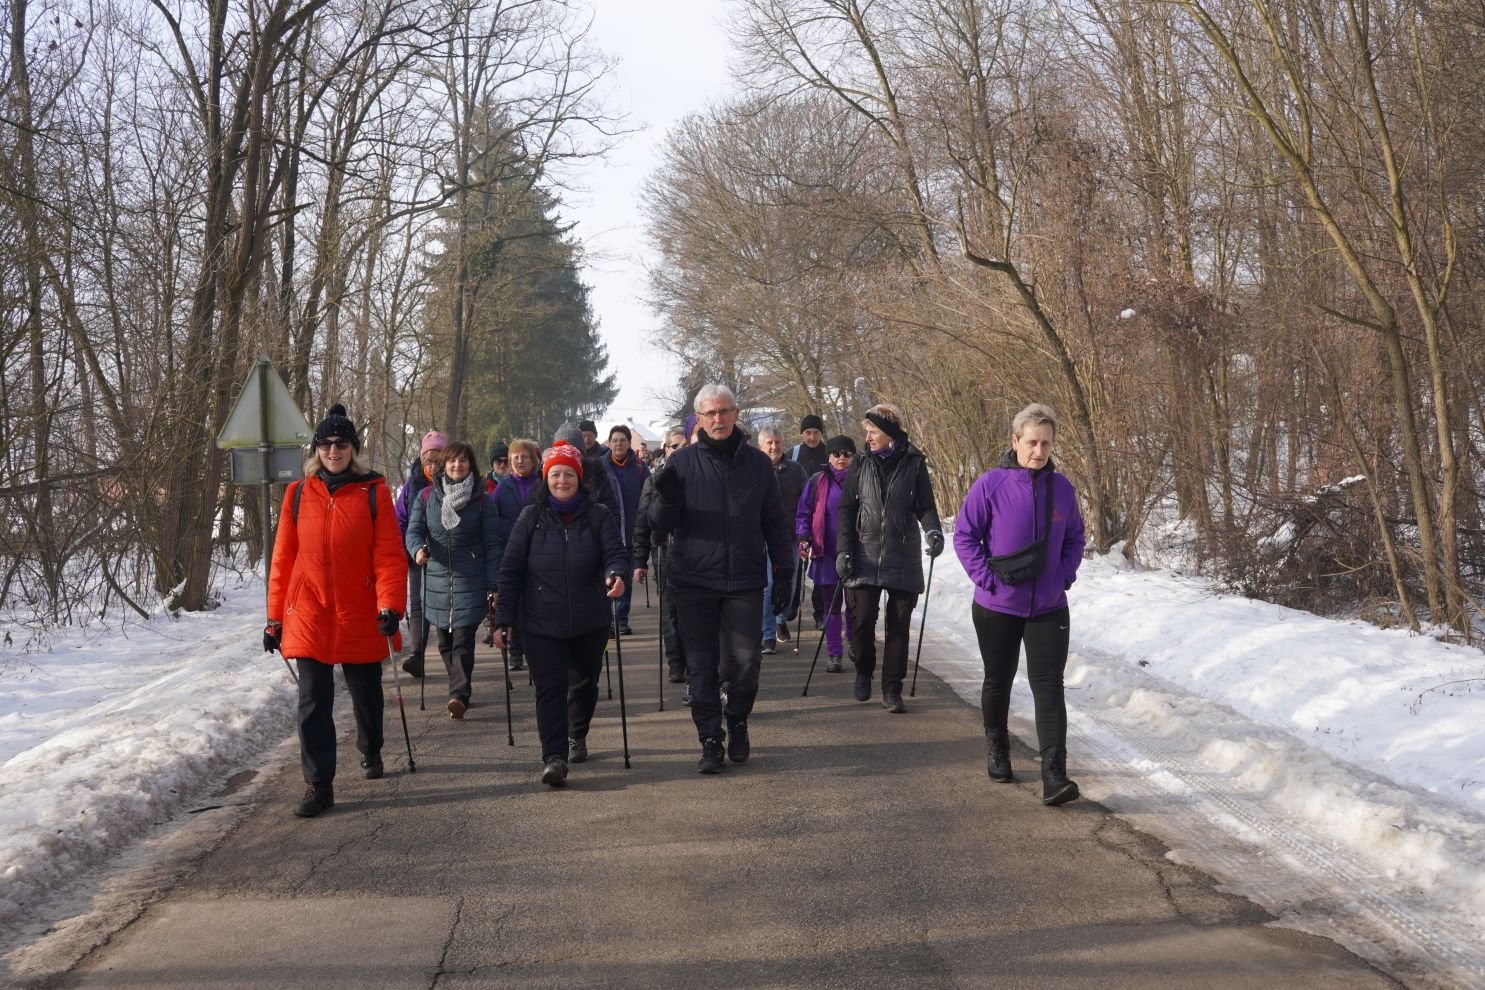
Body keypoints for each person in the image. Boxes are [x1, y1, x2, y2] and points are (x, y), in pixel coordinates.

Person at [264, 404, 407, 818]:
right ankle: (318, 785)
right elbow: (282, 560)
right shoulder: (297, 494)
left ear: (353, 449)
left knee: (366, 692)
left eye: (341, 443)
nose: (333, 450)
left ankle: (370, 748)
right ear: (316, 450)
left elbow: (389, 558)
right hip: (309, 612)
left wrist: (390, 606)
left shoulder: (374, 493)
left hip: (360, 608)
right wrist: (274, 619)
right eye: (325, 444)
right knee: (313, 701)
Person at [648, 384, 793, 773]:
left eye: (724, 412)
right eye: (709, 414)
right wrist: (669, 500)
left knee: (747, 663)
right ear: (698, 419)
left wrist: (784, 572)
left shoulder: (758, 464)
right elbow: (658, 528)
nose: (718, 419)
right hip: (694, 581)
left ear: (736, 413)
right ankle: (710, 739)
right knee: (701, 666)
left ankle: (738, 719)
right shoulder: (681, 463)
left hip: (745, 579)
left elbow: (776, 523)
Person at [954, 403, 1086, 806]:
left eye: (1046, 443)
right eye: (1031, 442)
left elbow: (1076, 539)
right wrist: (987, 580)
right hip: (997, 606)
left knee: (1049, 686)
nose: (1038, 451)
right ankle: (998, 747)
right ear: (1015, 442)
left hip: (1048, 607)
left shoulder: (1061, 488)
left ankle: (1054, 775)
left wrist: (1062, 576)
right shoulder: (990, 485)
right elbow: (964, 536)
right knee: (999, 679)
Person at [492, 443, 627, 787]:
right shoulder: (531, 518)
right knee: (549, 690)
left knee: (585, 684)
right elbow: (511, 571)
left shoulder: (599, 515)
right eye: (555, 474)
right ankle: (553, 757)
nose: (562, 480)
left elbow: (615, 553)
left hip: (589, 619)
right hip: (540, 621)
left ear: (578, 478)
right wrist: (503, 620)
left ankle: (576, 734)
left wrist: (616, 575)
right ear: (545, 478)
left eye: (569, 474)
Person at [837, 403, 943, 714]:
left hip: (903, 553)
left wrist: (934, 532)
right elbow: (846, 509)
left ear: (889, 433)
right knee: (861, 621)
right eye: (866, 431)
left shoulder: (914, 463)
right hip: (863, 553)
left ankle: (892, 689)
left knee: (898, 626)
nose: (867, 437)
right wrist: (843, 550)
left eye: (873, 431)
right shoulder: (860, 462)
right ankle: (863, 670)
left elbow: (926, 506)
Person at [406, 440, 502, 719]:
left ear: (470, 465)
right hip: (435, 580)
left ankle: (458, 694)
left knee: (462, 640)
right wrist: (417, 550)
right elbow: (413, 531)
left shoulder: (482, 501)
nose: (457, 465)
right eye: (452, 461)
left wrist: (493, 584)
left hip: (470, 580)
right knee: (444, 643)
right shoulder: (426, 497)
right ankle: (458, 686)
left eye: (462, 461)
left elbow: (493, 545)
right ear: (444, 465)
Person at [633, 429, 688, 688]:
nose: (677, 450)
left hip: (695, 554)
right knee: (670, 611)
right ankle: (676, 663)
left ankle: (695, 662)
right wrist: (639, 561)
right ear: (665, 449)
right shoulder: (654, 480)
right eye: (673, 446)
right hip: (665, 552)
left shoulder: (697, 474)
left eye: (682, 445)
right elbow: (642, 521)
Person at [796, 435, 856, 672]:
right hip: (826, 551)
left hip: (855, 552)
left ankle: (853, 642)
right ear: (828, 456)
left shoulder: (861, 479)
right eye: (836, 453)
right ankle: (834, 653)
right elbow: (803, 513)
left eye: (847, 454)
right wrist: (803, 537)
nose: (841, 458)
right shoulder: (817, 481)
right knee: (831, 606)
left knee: (854, 604)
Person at [394, 431, 446, 677]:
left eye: (437, 459)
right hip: (417, 554)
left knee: (445, 605)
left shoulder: (454, 480)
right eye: (429, 459)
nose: (433, 465)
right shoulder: (411, 485)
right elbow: (401, 520)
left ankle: (454, 657)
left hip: (446, 556)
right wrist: (409, 549)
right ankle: (417, 655)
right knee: (418, 604)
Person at [490, 438, 542, 671]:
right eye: (515, 458)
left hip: (540, 551)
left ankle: (536, 649)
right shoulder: (503, 488)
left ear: (533, 460)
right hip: (511, 552)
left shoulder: (542, 485)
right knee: (517, 604)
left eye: (524, 457)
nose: (520, 461)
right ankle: (516, 651)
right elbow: (493, 519)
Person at [758, 425, 807, 653]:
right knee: (767, 585)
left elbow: (807, 504)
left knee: (787, 583)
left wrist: (804, 533)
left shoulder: (796, 470)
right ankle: (767, 634)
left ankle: (780, 621)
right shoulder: (754, 470)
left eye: (777, 442)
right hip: (762, 539)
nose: (774, 446)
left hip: (790, 539)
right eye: (769, 442)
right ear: (761, 446)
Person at [605, 424, 650, 635]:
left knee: (627, 578)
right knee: (609, 576)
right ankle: (608, 618)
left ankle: (621, 618)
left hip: (632, 530)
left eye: (622, 440)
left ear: (628, 443)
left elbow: (648, 496)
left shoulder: (640, 467)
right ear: (609, 443)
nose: (618, 444)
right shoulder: (601, 467)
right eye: (614, 440)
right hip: (608, 531)